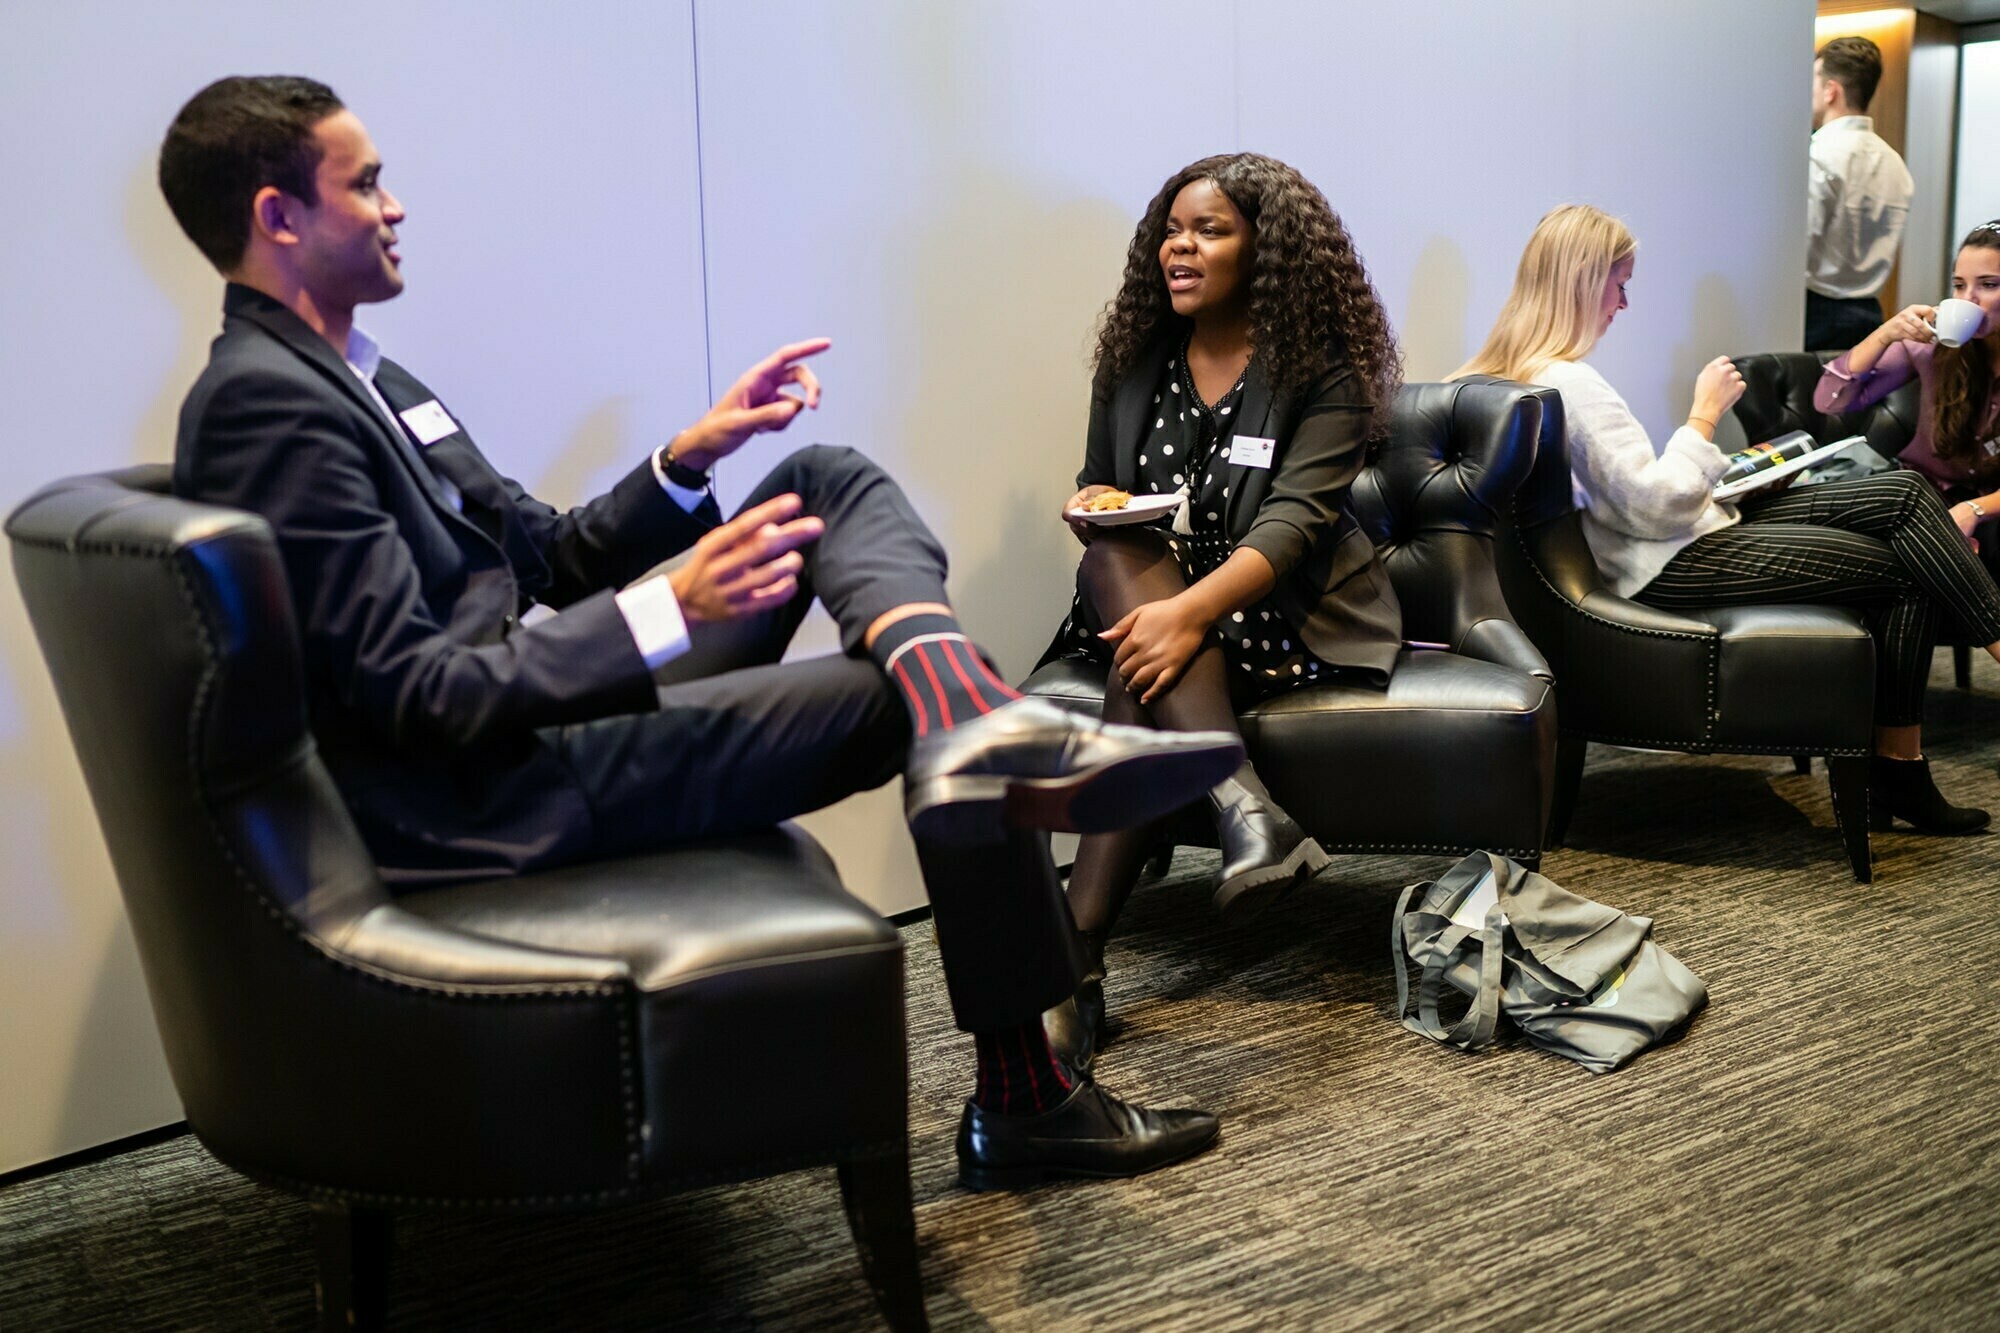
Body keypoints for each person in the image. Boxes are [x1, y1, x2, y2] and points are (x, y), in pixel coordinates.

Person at [158, 75, 1245, 1191]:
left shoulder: (368, 376)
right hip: (484, 791)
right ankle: (1027, 1092)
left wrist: (691, 457)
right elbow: (413, 695)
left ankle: (971, 725)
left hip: (536, 718)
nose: (394, 208)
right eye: (367, 183)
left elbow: (546, 554)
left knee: (820, 479)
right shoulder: (266, 406)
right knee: (909, 705)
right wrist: (668, 608)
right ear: (277, 216)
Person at [1456, 204, 2000, 836]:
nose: (1624, 304)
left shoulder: (1513, 373)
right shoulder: (1570, 382)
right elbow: (1655, 505)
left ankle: (1903, 761)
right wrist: (1703, 416)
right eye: (1621, 285)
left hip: (1680, 539)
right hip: (1672, 562)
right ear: (1584, 280)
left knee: (1904, 493)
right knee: (1909, 567)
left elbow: (1640, 499)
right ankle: (1900, 766)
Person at [1036, 153, 1404, 1070]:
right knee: (1122, 571)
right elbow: (1102, 485)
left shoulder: (1325, 372)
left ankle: (1076, 960)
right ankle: (1246, 810)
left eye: (1208, 230)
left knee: (1141, 656)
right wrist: (1094, 509)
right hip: (1146, 591)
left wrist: (1186, 612)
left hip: (1282, 604)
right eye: (1171, 229)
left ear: (1267, 251)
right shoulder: (1133, 359)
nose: (1179, 248)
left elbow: (1290, 529)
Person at [1815, 222, 2000, 522]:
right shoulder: (1932, 347)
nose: (1968, 299)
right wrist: (1884, 334)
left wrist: (1974, 510)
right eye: (1959, 285)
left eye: (1989, 284)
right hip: (1918, 499)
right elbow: (1831, 401)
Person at [1806, 35, 1914, 353]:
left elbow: (1802, 245)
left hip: (1815, 315)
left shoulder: (1819, 154)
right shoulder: (1895, 163)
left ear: (1831, 90)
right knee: (1855, 401)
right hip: (1871, 314)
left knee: (1811, 402)